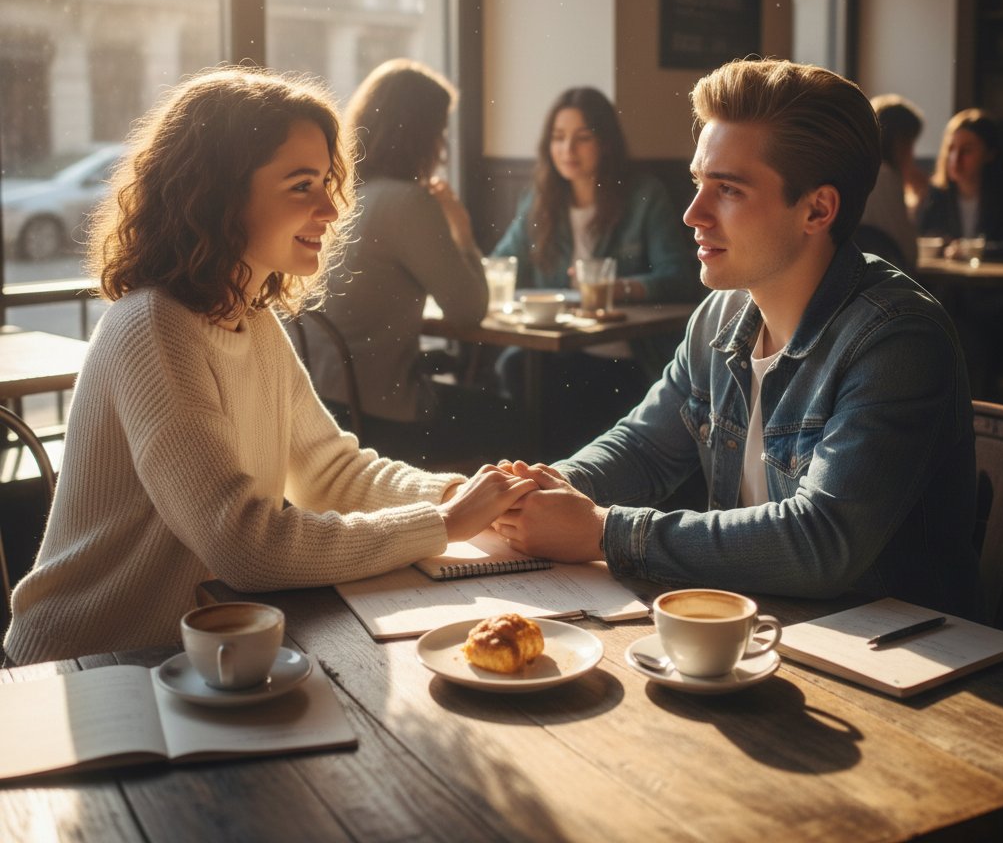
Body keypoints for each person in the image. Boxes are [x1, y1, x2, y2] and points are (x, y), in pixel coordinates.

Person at [3, 66, 535, 665]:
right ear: (220, 194)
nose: (331, 210)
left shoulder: (251, 321)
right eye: (302, 186)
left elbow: (330, 472)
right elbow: (243, 546)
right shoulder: (153, 327)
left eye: (328, 183)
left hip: (189, 661)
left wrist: (465, 495)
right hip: (83, 668)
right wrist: (442, 523)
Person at [492, 58, 979, 617]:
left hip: (897, 662)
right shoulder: (721, 313)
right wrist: (544, 487)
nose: (692, 213)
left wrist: (602, 531)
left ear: (817, 209)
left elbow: (821, 542)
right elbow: (645, 448)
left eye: (728, 190)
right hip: (760, 628)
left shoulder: (897, 339)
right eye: (700, 182)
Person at [303, 58, 512, 465]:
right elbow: (470, 310)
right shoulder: (408, 202)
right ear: (422, 135)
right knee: (511, 417)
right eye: (440, 133)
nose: (443, 147)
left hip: (320, 405)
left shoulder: (342, 198)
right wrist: (463, 232)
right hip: (379, 416)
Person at [490, 86, 701, 457]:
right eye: (558, 138)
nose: (567, 150)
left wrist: (621, 288)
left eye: (581, 138)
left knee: (557, 392)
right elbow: (502, 264)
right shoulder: (539, 201)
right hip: (560, 351)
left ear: (604, 142)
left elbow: (680, 278)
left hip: (627, 356)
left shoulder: (642, 196)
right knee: (515, 366)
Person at [917, 108, 1003, 261]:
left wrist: (973, 251)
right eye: (951, 148)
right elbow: (923, 238)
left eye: (966, 150)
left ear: (990, 154)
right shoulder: (935, 195)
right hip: (947, 282)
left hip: (997, 282)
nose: (955, 158)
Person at [856, 94, 924, 270]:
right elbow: (908, 254)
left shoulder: (853, 171)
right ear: (900, 142)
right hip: (879, 284)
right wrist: (918, 199)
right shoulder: (885, 176)